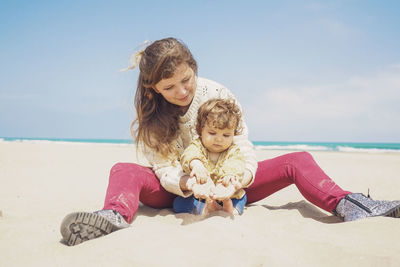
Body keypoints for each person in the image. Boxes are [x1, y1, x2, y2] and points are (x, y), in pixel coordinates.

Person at [60, 37, 400, 246]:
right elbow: (162, 167)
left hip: (232, 180)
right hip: (180, 189)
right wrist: (187, 181)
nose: (181, 92)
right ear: (153, 88)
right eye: (169, 87)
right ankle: (114, 215)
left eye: (186, 80)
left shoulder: (218, 93)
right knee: (123, 169)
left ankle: (350, 205)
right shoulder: (151, 116)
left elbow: (244, 147)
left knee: (297, 159)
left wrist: (239, 179)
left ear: (193, 68)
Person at [174, 98, 247, 215]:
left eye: (226, 135)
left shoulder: (233, 150)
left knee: (241, 198)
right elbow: (189, 154)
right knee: (179, 203)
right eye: (212, 133)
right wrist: (196, 164)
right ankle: (206, 209)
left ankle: (232, 210)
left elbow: (237, 162)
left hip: (226, 193)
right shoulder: (198, 145)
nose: (219, 139)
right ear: (200, 130)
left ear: (234, 134)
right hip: (202, 194)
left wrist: (229, 175)